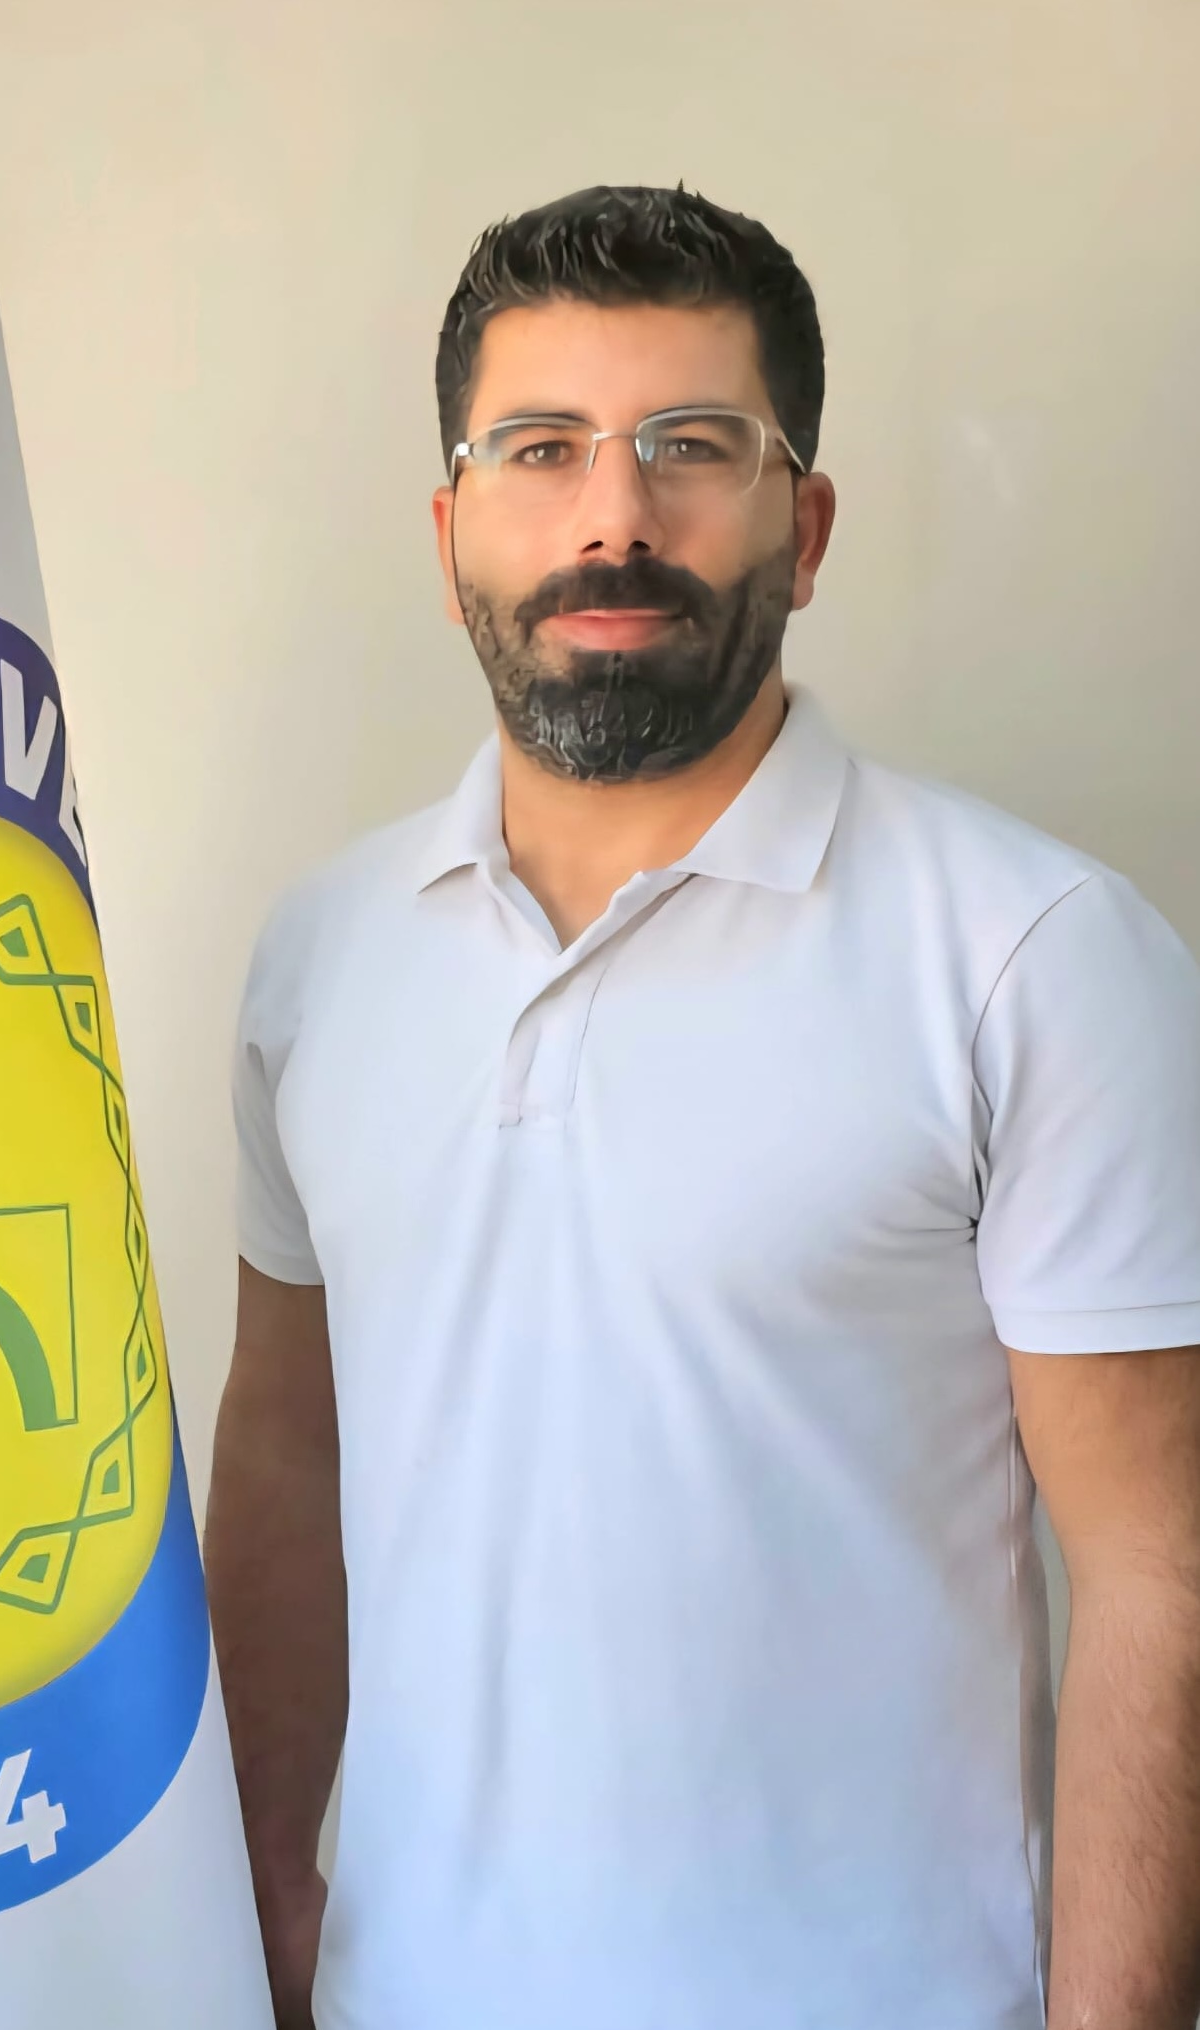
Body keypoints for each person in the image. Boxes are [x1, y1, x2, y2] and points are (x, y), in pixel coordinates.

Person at [202, 183, 1200, 2030]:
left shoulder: (1031, 953)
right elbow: (286, 1449)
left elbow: (1161, 1564)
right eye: (541, 449)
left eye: (692, 445)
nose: (615, 515)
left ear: (802, 529)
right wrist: (253, 1878)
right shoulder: (321, 954)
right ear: (449, 532)